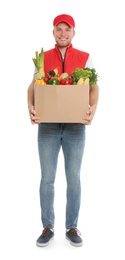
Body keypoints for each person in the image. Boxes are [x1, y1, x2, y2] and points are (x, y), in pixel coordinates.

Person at [27, 14, 99, 247]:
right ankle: (47, 227)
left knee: (73, 178)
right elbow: (32, 86)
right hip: (47, 125)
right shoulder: (44, 58)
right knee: (47, 178)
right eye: (59, 29)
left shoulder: (83, 58)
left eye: (67, 29)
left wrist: (93, 110)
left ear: (74, 33)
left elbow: (93, 87)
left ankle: (72, 227)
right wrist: (30, 106)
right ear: (53, 32)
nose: (63, 33)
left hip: (75, 127)